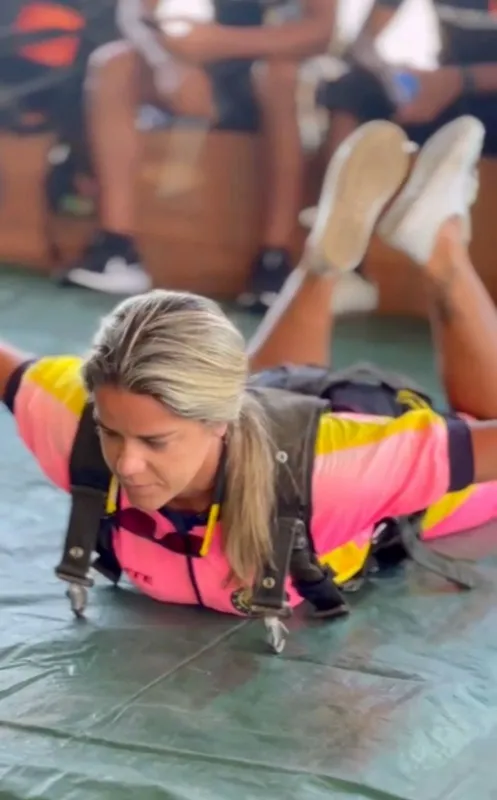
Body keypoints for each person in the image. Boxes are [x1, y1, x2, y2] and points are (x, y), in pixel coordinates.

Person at [2, 114, 497, 626]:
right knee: (275, 379)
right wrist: (136, 434)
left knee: (481, 427)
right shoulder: (75, 424)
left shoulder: (341, 471)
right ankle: (320, 261)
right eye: (112, 433)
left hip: (342, 444)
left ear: (222, 419)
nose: (125, 466)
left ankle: (441, 245)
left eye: (155, 442)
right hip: (272, 407)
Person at [59, 0, 335, 309]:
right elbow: (137, 10)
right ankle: (117, 248)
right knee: (114, 63)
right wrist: (167, 61)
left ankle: (275, 263)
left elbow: (321, 31)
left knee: (279, 76)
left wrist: (221, 42)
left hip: (278, 69)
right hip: (202, 66)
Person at [315, 0, 497, 314]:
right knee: (353, 88)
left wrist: (458, 80)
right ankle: (339, 263)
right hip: (444, 90)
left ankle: (443, 234)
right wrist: (393, 78)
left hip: (477, 88)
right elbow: (362, 43)